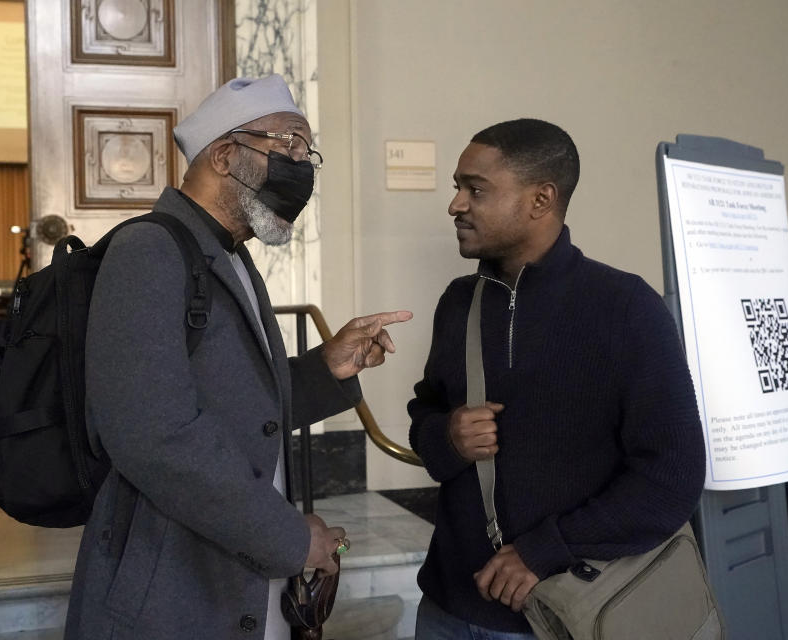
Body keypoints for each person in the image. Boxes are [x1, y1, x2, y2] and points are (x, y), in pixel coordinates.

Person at [64, 75, 411, 639]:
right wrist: (293, 539)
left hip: (233, 569)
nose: (304, 166)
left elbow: (235, 406)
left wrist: (327, 368)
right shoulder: (149, 250)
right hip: (172, 585)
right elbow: (155, 436)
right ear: (225, 155)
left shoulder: (226, 255)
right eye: (289, 146)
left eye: (307, 151)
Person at [407, 118, 706, 638]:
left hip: (568, 613)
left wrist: (543, 550)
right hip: (446, 610)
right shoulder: (459, 304)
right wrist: (447, 435)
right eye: (458, 187)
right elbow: (425, 424)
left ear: (541, 200)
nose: (456, 204)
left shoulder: (626, 307)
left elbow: (672, 477)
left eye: (475, 189)